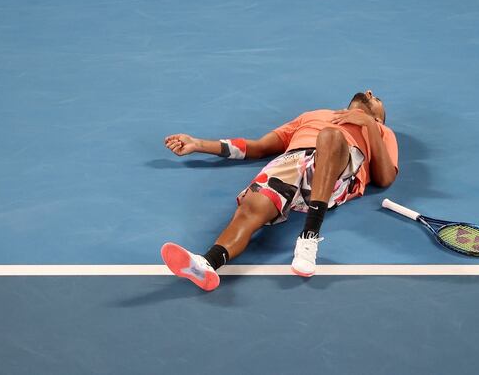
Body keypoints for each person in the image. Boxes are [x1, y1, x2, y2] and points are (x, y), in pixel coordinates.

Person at [160, 90, 398, 291]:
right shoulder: (311, 116)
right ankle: (207, 263)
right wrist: (199, 144)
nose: (369, 92)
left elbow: (385, 178)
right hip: (291, 161)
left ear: (380, 118)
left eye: (376, 99)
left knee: (331, 136)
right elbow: (260, 147)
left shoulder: (382, 131)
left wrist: (369, 124)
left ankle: (309, 238)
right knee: (252, 207)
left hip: (337, 167)